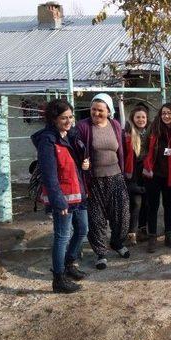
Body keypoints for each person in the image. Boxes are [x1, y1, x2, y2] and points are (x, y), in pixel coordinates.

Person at [31, 99, 89, 293]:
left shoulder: (70, 135)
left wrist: (84, 162)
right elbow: (49, 174)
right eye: (64, 118)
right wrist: (57, 199)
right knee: (62, 236)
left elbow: (76, 159)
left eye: (71, 117)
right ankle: (59, 279)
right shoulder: (48, 140)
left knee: (82, 229)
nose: (69, 121)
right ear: (53, 119)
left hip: (78, 192)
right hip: (63, 197)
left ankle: (69, 263)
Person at [75, 93, 130, 270]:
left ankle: (117, 243)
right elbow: (75, 149)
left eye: (100, 110)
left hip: (116, 177)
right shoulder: (83, 127)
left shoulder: (115, 125)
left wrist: (123, 171)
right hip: (94, 180)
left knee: (121, 215)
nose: (96, 113)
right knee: (97, 219)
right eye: (93, 109)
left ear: (108, 111)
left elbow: (120, 151)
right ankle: (101, 253)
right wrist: (82, 163)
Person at [142, 103, 171, 253]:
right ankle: (152, 238)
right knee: (152, 207)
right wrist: (146, 161)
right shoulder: (154, 128)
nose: (166, 116)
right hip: (153, 175)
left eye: (169, 113)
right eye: (163, 113)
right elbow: (144, 146)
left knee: (169, 206)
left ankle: (169, 235)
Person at [124, 105, 149, 245]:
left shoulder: (150, 133)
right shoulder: (127, 134)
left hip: (147, 175)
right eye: (138, 117)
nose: (141, 119)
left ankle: (142, 230)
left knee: (146, 203)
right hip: (132, 175)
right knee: (136, 203)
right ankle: (131, 233)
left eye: (143, 117)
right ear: (133, 119)